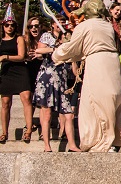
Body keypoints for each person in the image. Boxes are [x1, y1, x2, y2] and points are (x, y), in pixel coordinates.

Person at [53, 0, 121, 152]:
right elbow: (82, 50)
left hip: (98, 64)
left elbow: (73, 48)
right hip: (113, 63)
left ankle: (102, 142)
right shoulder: (108, 26)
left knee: (96, 103)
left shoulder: (85, 26)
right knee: (115, 103)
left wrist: (57, 53)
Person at [32, 19, 80, 152]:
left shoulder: (70, 43)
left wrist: (74, 57)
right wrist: (57, 48)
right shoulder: (48, 36)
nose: (61, 23)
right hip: (48, 78)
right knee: (46, 113)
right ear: (53, 24)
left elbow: (75, 71)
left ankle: (72, 145)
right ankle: (47, 146)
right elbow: (40, 50)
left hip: (62, 83)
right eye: (58, 21)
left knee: (69, 114)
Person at [0, 13, 34, 144]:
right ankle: (4, 132)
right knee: (5, 103)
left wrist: (5, 57)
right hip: (6, 72)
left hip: (19, 70)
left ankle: (29, 130)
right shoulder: (1, 40)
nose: (9, 27)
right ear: (3, 26)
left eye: (12, 25)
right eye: (7, 25)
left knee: (26, 98)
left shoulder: (19, 38)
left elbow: (21, 56)